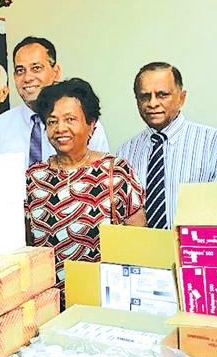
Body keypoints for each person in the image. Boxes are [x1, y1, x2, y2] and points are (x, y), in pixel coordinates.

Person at [25, 78, 146, 304]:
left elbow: (137, 243)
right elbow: (27, 246)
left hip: (105, 300)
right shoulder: (33, 177)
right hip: (48, 305)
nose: (60, 129)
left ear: (91, 124)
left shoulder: (116, 172)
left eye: (70, 119)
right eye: (52, 121)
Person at [116, 62, 217, 229]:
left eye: (162, 95)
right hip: (141, 252)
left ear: (181, 98)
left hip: (197, 250)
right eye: (145, 96)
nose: (152, 103)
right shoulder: (125, 153)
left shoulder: (214, 143)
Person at [0, 36, 109, 169]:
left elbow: (102, 175)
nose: (28, 78)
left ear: (56, 72)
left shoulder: (85, 125)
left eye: (36, 68)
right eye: (20, 71)